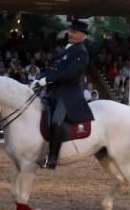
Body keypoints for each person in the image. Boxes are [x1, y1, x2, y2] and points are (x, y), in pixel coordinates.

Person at [29, 19, 94, 169]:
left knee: (56, 121)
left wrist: (46, 80)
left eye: (74, 31)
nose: (70, 33)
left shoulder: (81, 52)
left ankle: (52, 158)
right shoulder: (67, 49)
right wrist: (39, 80)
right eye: (70, 30)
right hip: (55, 92)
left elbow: (69, 74)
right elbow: (55, 70)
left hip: (69, 94)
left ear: (82, 35)